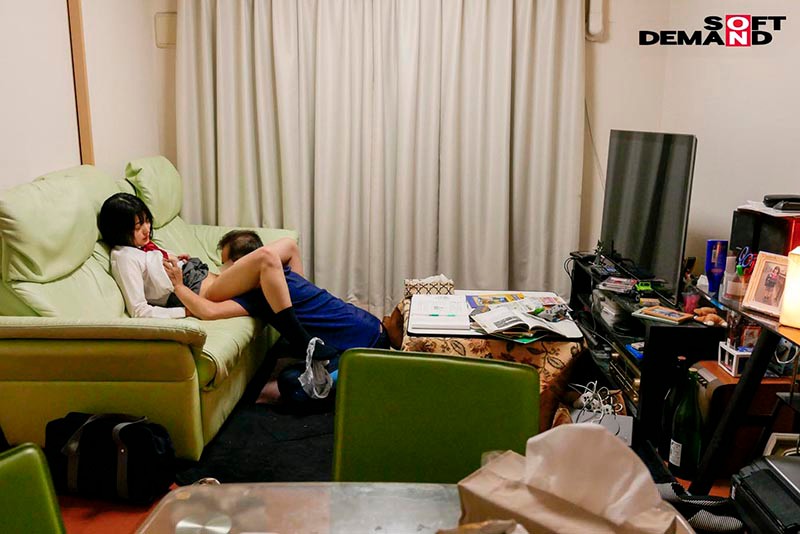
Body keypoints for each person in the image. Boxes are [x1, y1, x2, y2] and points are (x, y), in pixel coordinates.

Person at [168, 229, 403, 404]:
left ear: (240, 266)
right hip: (366, 328)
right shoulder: (280, 278)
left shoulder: (258, 293)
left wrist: (179, 287)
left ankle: (358, 370)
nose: (223, 273)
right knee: (290, 378)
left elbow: (208, 310)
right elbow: (288, 247)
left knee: (294, 388)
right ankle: (313, 349)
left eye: (225, 266)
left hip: (364, 348)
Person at [97, 192, 338, 361]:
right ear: (120, 231)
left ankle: (299, 322)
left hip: (206, 277)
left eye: (146, 221)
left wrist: (176, 259)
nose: (146, 229)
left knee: (288, 246)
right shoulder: (124, 257)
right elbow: (139, 310)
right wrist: (185, 311)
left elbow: (155, 268)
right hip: (202, 291)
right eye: (138, 226)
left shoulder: (143, 247)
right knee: (266, 258)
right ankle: (300, 339)